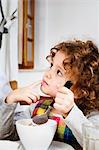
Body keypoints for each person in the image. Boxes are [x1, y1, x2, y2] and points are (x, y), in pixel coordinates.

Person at [0, 40, 99, 149]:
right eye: (51, 65)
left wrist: (70, 112)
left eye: (59, 72)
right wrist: (10, 100)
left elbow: (94, 145)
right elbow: (7, 136)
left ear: (80, 90)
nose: (47, 74)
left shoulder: (90, 116)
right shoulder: (36, 107)